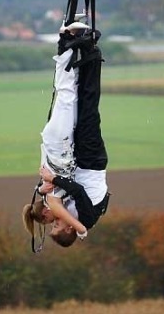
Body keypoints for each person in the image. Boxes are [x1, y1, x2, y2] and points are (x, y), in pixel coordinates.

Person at [39, 25, 110, 248]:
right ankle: (92, 52)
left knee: (78, 105)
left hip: (79, 160)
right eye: (57, 227)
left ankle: (82, 47)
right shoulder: (86, 219)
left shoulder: (73, 217)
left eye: (53, 225)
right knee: (88, 107)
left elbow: (59, 193)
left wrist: (44, 188)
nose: (56, 223)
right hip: (92, 160)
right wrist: (53, 180)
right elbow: (78, 190)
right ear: (69, 228)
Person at [22, 39, 87, 242]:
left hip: (58, 141)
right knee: (70, 96)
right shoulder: (48, 193)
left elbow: (75, 222)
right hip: (59, 142)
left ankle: (65, 46)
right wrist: (39, 189)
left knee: (65, 95)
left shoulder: (51, 199)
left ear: (45, 213)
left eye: (52, 221)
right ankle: (71, 49)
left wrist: (81, 231)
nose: (56, 219)